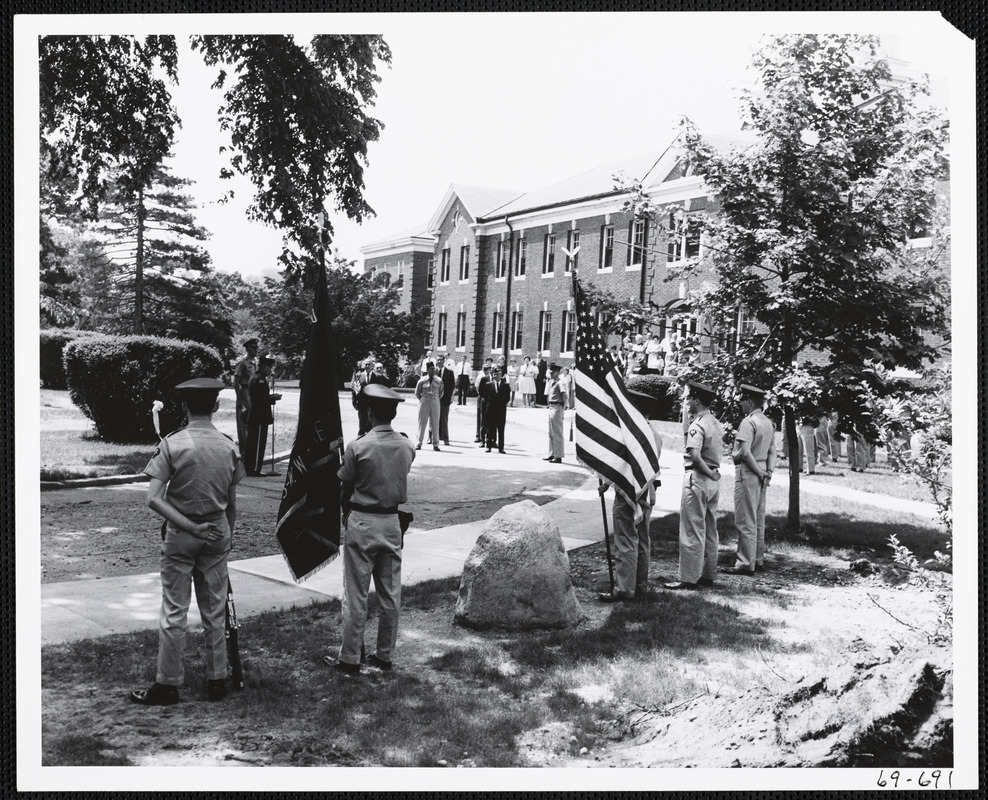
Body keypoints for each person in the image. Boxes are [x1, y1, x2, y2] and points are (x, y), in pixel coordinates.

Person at [131, 377, 246, 705]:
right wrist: (228, 537)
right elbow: (233, 502)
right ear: (216, 406)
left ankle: (167, 684)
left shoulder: (172, 443)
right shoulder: (229, 446)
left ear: (183, 406)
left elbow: (154, 499)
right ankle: (217, 680)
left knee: (174, 610)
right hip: (217, 533)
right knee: (215, 611)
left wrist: (190, 528)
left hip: (182, 535)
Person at [327, 382, 416, 676]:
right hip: (391, 522)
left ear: (368, 413)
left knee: (356, 593)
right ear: (392, 413)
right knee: (390, 594)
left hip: (363, 520)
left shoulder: (359, 446)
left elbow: (345, 486)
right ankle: (385, 655)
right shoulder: (406, 445)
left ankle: (350, 656)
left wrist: (344, 514)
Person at [597, 389, 664, 603]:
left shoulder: (632, 434)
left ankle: (625, 588)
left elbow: (622, 464)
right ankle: (640, 584)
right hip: (648, 491)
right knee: (642, 540)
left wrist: (606, 483)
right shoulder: (653, 433)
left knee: (625, 540)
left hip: (629, 492)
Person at [665, 381, 723, 590]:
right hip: (713, 482)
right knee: (709, 529)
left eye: (688, 398)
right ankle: (708, 574)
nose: (686, 402)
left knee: (692, 529)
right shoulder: (716, 423)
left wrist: (707, 472)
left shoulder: (698, 425)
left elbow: (695, 456)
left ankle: (688, 578)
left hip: (698, 477)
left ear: (697, 400)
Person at [723, 384, 776, 576]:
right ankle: (757, 558)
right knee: (758, 518)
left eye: (742, 401)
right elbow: (772, 451)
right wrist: (768, 471)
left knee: (746, 518)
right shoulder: (768, 422)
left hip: (749, 471)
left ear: (749, 401)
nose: (741, 405)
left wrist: (759, 472)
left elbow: (745, 453)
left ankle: (745, 562)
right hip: (762, 468)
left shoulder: (748, 422)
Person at [244, 355, 282, 476]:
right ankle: (254, 468)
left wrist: (272, 397)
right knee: (257, 443)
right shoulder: (259, 379)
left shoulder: (257, 377)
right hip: (259, 415)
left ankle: (251, 467)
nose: (270, 371)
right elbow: (261, 400)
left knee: (254, 442)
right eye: (269, 368)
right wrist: (274, 398)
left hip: (257, 414)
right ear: (264, 367)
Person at [232, 338, 258, 457]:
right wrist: (239, 399)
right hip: (244, 391)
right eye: (253, 348)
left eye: (256, 347)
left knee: (252, 420)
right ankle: (244, 450)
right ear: (247, 348)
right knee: (244, 421)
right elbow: (236, 381)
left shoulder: (255, 362)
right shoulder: (242, 363)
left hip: (253, 392)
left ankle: (251, 449)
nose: (256, 350)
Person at [414, 361, 443, 451]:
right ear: (427, 370)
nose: (432, 371)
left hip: (435, 401)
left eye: (433, 369)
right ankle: (419, 443)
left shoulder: (439, 380)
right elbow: (417, 392)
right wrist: (423, 399)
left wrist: (435, 399)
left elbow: (441, 392)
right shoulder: (422, 380)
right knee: (422, 423)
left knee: (435, 423)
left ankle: (435, 444)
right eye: (430, 369)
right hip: (424, 401)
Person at [484, 365, 510, 453]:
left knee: (501, 430)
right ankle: (488, 446)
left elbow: (507, 398)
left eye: (498, 374)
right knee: (490, 429)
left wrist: (501, 404)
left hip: (501, 410)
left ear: (501, 375)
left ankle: (501, 447)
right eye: (494, 374)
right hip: (491, 410)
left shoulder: (505, 385)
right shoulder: (488, 385)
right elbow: (485, 397)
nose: (496, 376)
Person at [543, 363, 565, 464]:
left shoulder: (560, 383)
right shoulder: (553, 383)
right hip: (551, 407)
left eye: (552, 372)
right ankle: (552, 453)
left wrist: (562, 409)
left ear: (557, 372)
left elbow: (564, 396)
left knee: (557, 433)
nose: (551, 374)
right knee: (551, 432)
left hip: (557, 407)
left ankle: (558, 456)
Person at [438, 357, 455, 446]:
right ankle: (434, 437)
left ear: (444, 361)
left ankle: (445, 438)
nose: (439, 361)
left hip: (445, 399)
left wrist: (451, 397)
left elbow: (452, 386)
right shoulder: (434, 372)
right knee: (434, 419)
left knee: (444, 419)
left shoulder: (449, 372)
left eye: (440, 360)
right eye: (437, 360)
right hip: (435, 399)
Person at [475, 360, 492, 443]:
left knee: (485, 418)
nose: (487, 371)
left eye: (488, 369)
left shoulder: (490, 377)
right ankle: (478, 435)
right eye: (485, 369)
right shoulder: (480, 377)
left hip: (487, 399)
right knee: (480, 417)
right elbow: (477, 387)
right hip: (480, 398)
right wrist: (481, 396)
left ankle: (486, 436)